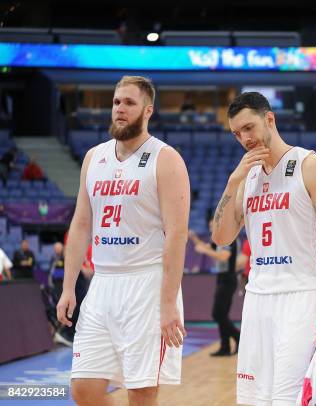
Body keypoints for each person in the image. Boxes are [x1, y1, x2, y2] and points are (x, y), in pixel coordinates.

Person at [210, 91, 316, 405]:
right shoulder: (246, 179)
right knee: (254, 400)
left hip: (305, 297)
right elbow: (221, 237)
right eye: (237, 133)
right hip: (259, 299)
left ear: (269, 119)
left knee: (291, 399)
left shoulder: (310, 164)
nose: (244, 138)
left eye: (249, 128)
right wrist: (233, 181)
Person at [56, 75, 190, 406]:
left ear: (148, 111)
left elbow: (177, 233)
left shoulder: (165, 158)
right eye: (116, 102)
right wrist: (68, 286)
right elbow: (81, 223)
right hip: (103, 283)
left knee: (141, 394)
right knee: (84, 389)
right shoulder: (93, 158)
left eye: (129, 103)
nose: (119, 109)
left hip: (146, 283)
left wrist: (168, 301)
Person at [189, 222, 240, 357]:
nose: (211, 229)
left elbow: (223, 256)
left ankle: (237, 336)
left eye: (213, 226)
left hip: (228, 279)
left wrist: (205, 251)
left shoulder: (228, 240)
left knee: (218, 314)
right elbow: (203, 247)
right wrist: (194, 238)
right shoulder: (218, 241)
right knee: (221, 315)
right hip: (221, 279)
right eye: (210, 227)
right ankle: (225, 347)